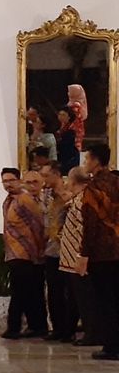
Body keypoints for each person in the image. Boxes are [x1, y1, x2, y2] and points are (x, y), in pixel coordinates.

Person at [76, 143, 119, 361]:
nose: (85, 163)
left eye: (87, 159)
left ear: (95, 161)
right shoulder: (117, 182)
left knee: (105, 301)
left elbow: (90, 224)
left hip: (103, 253)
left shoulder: (93, 188)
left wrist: (84, 255)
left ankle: (111, 346)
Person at [0, 168, 48, 339]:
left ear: (19, 180)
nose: (8, 184)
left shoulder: (24, 200)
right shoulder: (8, 201)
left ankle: (14, 328)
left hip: (27, 253)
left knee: (21, 292)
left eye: (11, 180)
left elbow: (38, 225)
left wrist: (39, 250)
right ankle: (37, 326)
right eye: (5, 181)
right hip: (15, 253)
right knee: (30, 292)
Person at [59, 166, 100, 346]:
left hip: (78, 260)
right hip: (72, 260)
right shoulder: (78, 199)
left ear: (73, 181)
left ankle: (93, 334)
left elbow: (84, 229)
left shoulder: (83, 200)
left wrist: (81, 255)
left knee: (86, 300)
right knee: (78, 299)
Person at [40, 160, 71, 341]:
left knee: (66, 292)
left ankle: (68, 329)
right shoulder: (47, 196)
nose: (43, 179)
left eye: (46, 175)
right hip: (51, 249)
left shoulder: (67, 194)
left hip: (66, 250)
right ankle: (57, 327)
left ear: (56, 175)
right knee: (53, 291)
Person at [56, 107, 80, 175]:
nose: (61, 116)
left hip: (68, 157)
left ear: (69, 117)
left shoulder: (71, 129)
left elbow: (68, 145)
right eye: (60, 114)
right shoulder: (59, 129)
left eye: (63, 115)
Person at [67, 84, 88, 152]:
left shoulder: (76, 104)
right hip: (74, 127)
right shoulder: (72, 102)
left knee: (75, 144)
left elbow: (75, 117)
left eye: (70, 91)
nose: (68, 93)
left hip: (75, 127)